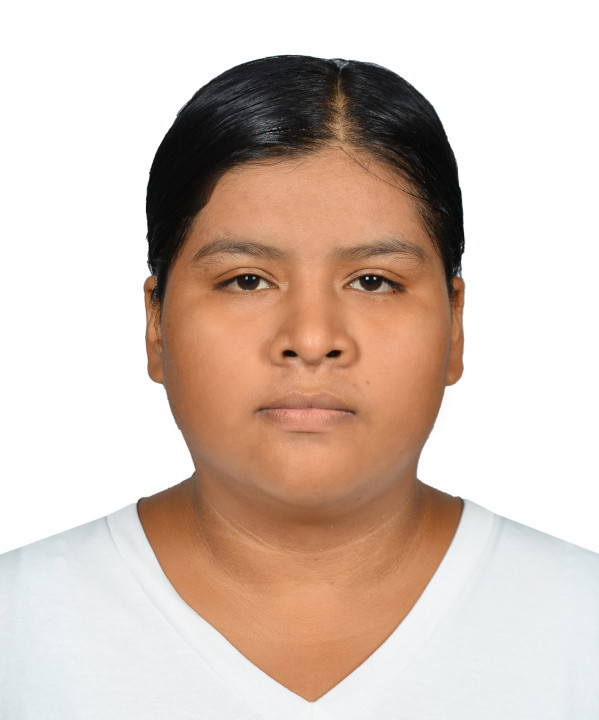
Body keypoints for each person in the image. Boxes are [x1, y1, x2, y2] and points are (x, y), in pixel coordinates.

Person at [1, 55, 597, 719]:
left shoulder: (582, 626)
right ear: (156, 326)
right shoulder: (18, 626)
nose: (312, 339)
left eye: (373, 281)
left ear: (454, 326)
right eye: (247, 280)